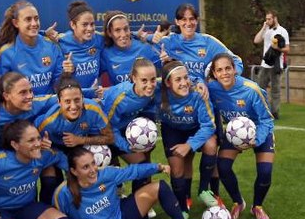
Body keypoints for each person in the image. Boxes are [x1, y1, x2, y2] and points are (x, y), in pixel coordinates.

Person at [54, 146, 207, 219]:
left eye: (93, 163)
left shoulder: (105, 174)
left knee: (160, 186)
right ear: (73, 171)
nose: (93, 170)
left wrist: (158, 167)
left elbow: (132, 171)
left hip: (121, 212)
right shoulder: (64, 194)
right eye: (85, 167)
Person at [206, 52, 277, 219]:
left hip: (259, 130)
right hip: (235, 133)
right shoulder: (212, 89)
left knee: (265, 171)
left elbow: (267, 119)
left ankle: (257, 206)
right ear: (214, 74)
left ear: (235, 69)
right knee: (222, 166)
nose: (225, 73)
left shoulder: (251, 90)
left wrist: (256, 139)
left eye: (228, 68)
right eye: (220, 70)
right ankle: (238, 202)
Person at [157, 60, 219, 210]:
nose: (184, 82)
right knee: (177, 168)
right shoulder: (156, 90)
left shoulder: (198, 93)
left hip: (196, 127)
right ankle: (183, 209)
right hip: (172, 130)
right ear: (167, 83)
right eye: (178, 79)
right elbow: (137, 84)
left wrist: (190, 144)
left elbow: (209, 125)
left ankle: (203, 190)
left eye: (186, 77)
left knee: (211, 144)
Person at [102, 58, 161, 191]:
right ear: (134, 78)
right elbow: (108, 128)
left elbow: (174, 76)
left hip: (124, 130)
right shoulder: (119, 97)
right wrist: (127, 147)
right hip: (103, 134)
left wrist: (197, 83)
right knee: (109, 175)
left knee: (142, 165)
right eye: (144, 80)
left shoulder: (154, 87)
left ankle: (138, 202)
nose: (150, 84)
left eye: (153, 79)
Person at [153, 3, 243, 87]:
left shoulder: (208, 42)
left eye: (192, 19)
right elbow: (145, 61)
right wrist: (150, 39)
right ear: (177, 22)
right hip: (176, 98)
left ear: (197, 20)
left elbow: (236, 61)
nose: (188, 23)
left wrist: (225, 79)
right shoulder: (167, 42)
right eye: (184, 19)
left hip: (201, 96)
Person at [0, 0, 62, 97]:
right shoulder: (6, 53)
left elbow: (59, 83)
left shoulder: (52, 46)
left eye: (36, 18)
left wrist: (67, 75)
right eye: (28, 19)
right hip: (22, 109)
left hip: (50, 108)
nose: (34, 23)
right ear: (16, 23)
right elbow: (4, 92)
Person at [0, 72, 57, 152]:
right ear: (6, 96)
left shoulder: (37, 104)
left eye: (30, 91)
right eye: (23, 92)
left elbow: (64, 97)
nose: (30, 96)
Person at [36, 76, 114, 152]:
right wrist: (41, 143)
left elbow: (110, 138)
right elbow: (32, 141)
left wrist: (80, 140)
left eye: (77, 100)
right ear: (59, 102)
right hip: (58, 148)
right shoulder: (49, 121)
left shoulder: (94, 109)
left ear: (82, 98)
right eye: (67, 101)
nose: (73, 107)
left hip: (83, 142)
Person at [53, 0, 104, 99]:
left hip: (95, 97)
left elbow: (118, 35)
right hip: (72, 99)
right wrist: (66, 72)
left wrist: (136, 35)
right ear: (73, 25)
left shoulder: (99, 38)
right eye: (84, 24)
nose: (89, 28)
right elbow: (55, 80)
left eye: (92, 24)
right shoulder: (60, 41)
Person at [99, 10, 161, 85]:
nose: (123, 34)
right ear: (109, 33)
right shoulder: (106, 53)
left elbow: (168, 66)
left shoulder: (144, 47)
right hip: (119, 96)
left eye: (126, 29)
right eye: (117, 30)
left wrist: (166, 57)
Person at [252, 11, 290, 119]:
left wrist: (277, 48)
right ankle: (261, 110)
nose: (267, 21)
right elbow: (256, 40)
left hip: (277, 64)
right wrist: (263, 28)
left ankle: (275, 111)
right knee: (259, 87)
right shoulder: (267, 30)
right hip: (265, 63)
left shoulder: (282, 31)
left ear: (275, 18)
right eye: (266, 19)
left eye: (269, 19)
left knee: (275, 89)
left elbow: (287, 48)